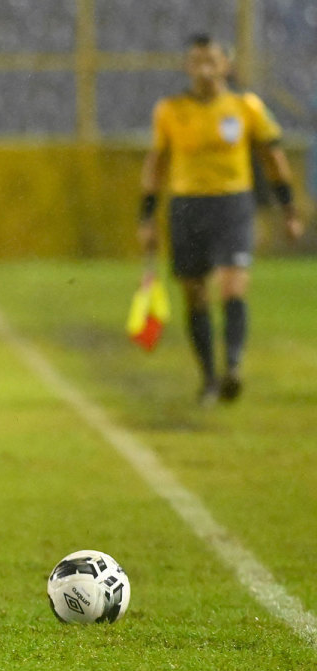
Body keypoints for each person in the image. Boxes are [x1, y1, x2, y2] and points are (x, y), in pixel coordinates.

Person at [138, 34, 303, 405]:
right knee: (194, 293)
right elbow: (156, 164)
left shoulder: (246, 107)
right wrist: (146, 218)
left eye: (211, 60)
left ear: (226, 65)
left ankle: (233, 368)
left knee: (232, 285)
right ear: (187, 66)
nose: (204, 68)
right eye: (197, 61)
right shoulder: (170, 110)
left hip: (233, 205)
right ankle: (209, 379)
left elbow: (273, 158)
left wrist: (289, 210)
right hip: (186, 207)